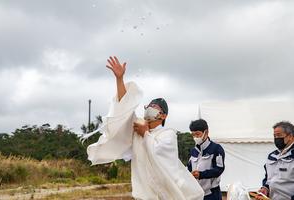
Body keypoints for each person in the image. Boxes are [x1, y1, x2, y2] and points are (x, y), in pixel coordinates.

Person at [85, 56, 204, 200]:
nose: (150, 108)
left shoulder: (168, 134)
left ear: (164, 116)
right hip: (144, 195)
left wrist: (145, 133)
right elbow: (124, 107)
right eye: (149, 106)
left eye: (155, 107)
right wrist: (119, 79)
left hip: (167, 195)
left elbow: (159, 153)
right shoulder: (137, 127)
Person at [187, 119, 225, 200]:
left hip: (212, 194)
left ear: (206, 132)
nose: (195, 137)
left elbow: (219, 169)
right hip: (197, 192)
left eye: (197, 134)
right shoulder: (193, 150)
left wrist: (201, 174)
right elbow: (189, 167)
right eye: (193, 135)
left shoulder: (216, 149)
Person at [256, 121, 294, 200]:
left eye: (279, 135)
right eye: (274, 136)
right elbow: (268, 178)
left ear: (290, 136)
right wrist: (265, 188)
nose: (276, 138)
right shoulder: (272, 156)